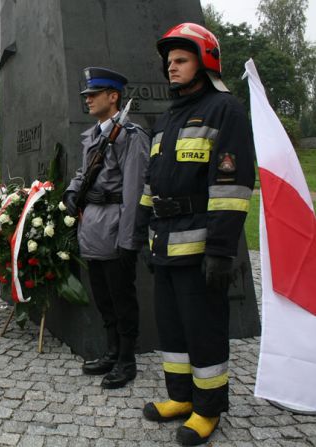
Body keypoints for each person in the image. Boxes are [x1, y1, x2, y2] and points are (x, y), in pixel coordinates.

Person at [134, 23, 255, 446]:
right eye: (169, 62)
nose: (172, 68)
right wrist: (140, 232)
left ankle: (208, 409)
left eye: (181, 60)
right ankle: (181, 398)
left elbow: (232, 187)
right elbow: (152, 182)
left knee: (203, 330)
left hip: (202, 245)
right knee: (172, 329)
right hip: (164, 244)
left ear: (205, 61)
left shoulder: (226, 111)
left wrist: (221, 251)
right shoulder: (167, 118)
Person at [63, 67, 149, 389]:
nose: (87, 100)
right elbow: (84, 173)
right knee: (103, 298)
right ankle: (111, 352)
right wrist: (73, 191)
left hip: (114, 229)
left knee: (122, 298)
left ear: (113, 97)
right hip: (93, 230)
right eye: (86, 95)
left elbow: (134, 192)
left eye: (94, 95)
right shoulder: (93, 136)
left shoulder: (131, 136)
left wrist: (129, 241)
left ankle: (127, 360)